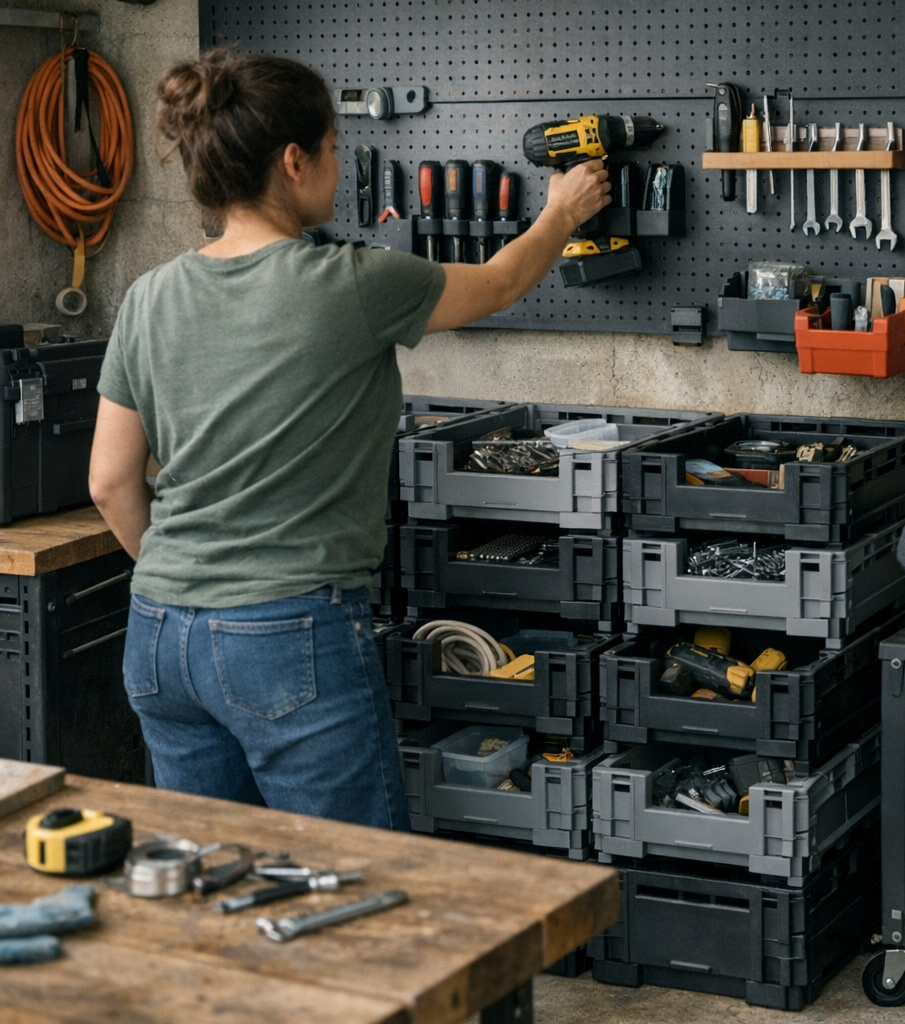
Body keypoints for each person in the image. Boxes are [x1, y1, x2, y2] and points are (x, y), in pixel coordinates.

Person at [88, 47, 610, 829]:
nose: (339, 164)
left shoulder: (147, 297)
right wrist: (562, 212)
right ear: (294, 161)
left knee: (209, 883)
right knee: (352, 887)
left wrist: (192, 582)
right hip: (285, 630)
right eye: (334, 149)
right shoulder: (352, 283)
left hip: (160, 630)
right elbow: (499, 282)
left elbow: (109, 483)